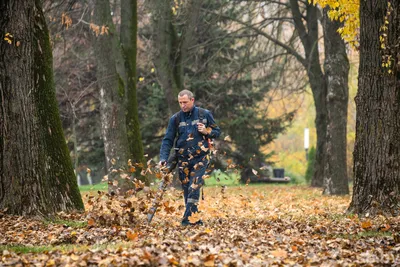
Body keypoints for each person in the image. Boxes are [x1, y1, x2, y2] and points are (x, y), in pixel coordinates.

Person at [159, 89, 220, 226]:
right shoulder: (175, 119)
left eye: (185, 102)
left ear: (192, 100)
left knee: (194, 186)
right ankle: (194, 219)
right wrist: (163, 158)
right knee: (187, 189)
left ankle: (187, 221)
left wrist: (206, 131)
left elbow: (217, 132)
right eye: (180, 103)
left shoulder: (204, 114)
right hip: (182, 159)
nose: (183, 105)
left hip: (201, 158)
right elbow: (168, 140)